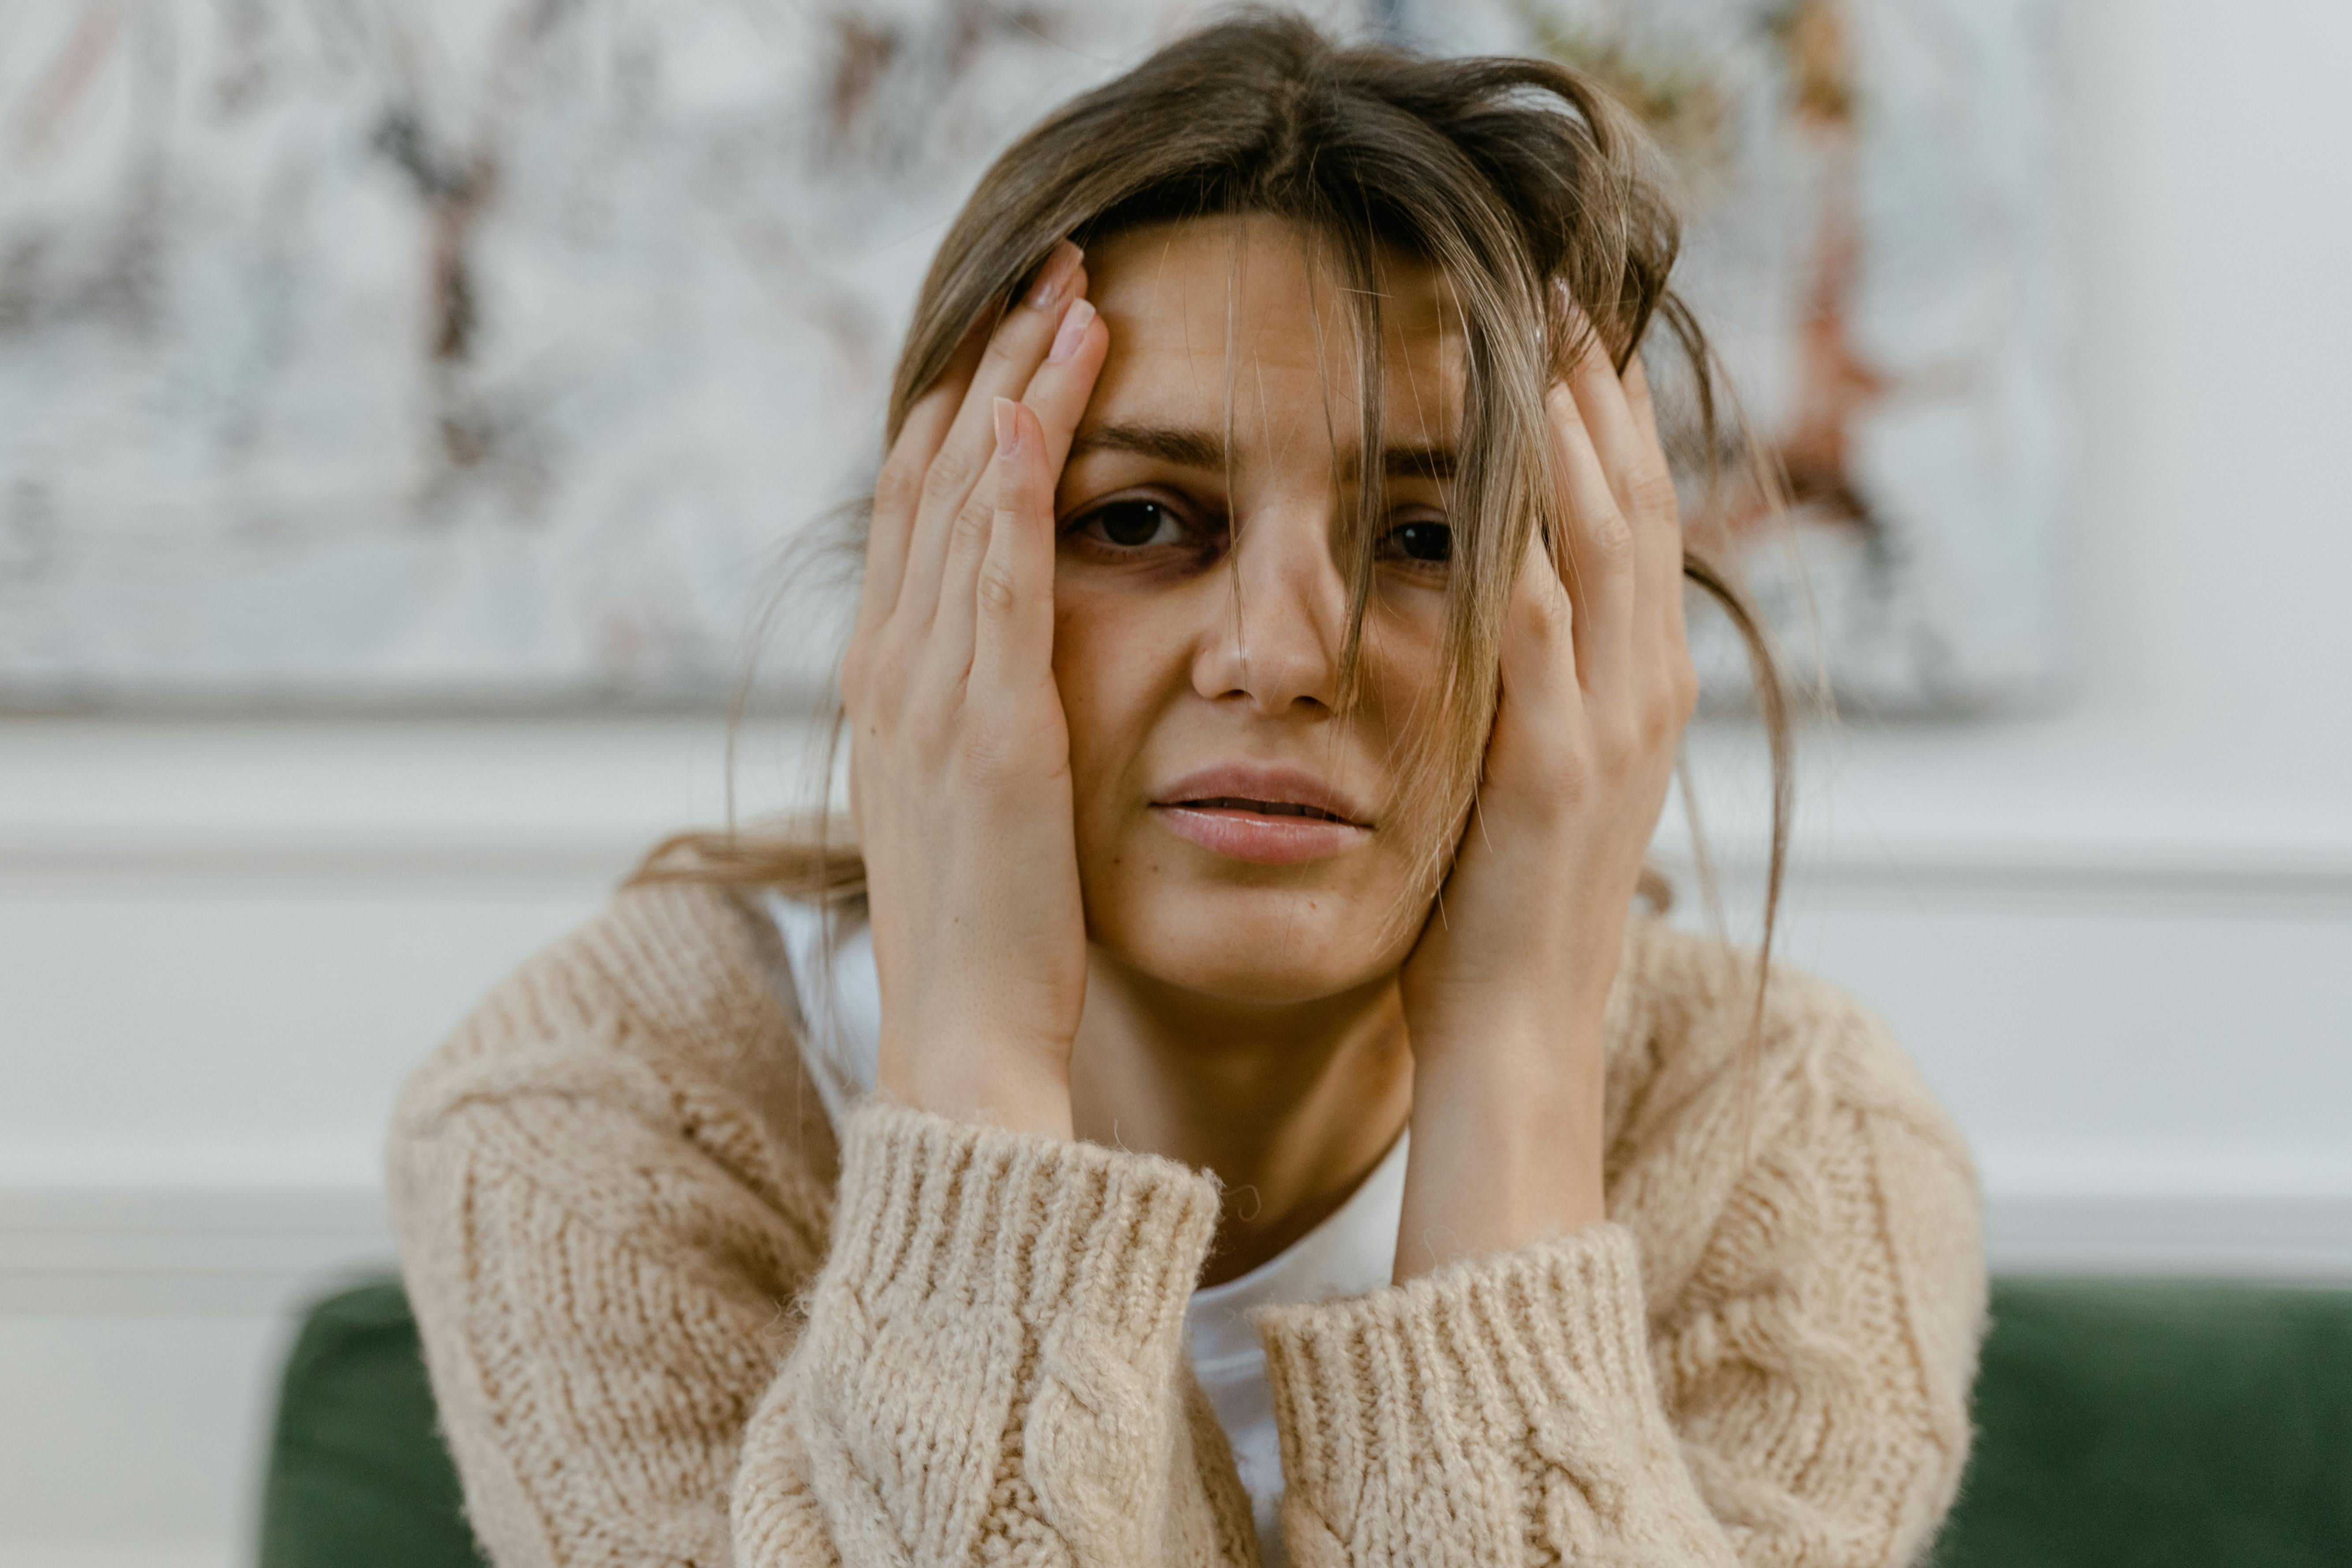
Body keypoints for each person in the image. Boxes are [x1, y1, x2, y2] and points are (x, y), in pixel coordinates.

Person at [389, 16, 1986, 1567]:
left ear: (1603, 625)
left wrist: (1512, 1070)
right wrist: (978, 1068)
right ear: (942, 572)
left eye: (1423, 538)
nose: (1282, 657)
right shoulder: (602, 1111)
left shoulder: (1791, 1144)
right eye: (1144, 519)